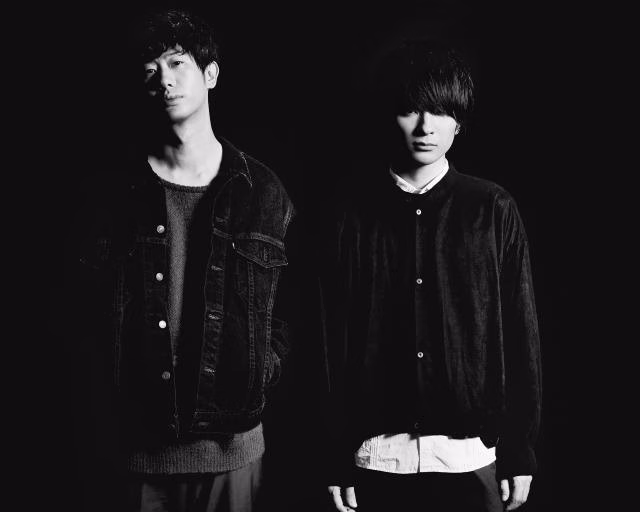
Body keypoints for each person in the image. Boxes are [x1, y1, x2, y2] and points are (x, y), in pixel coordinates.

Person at [71, 8, 295, 512]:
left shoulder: (263, 191)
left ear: (210, 74)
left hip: (232, 450)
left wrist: (262, 368)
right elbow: (78, 309)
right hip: (133, 449)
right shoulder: (110, 194)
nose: (164, 79)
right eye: (151, 70)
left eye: (177, 63)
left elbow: (292, 307)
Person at [321, 40, 542, 512]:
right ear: (391, 116)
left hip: (470, 458)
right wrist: (333, 454)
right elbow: (329, 339)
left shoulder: (492, 208)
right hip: (375, 459)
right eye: (411, 110)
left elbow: (520, 333)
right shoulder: (350, 212)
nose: (425, 127)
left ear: (458, 121)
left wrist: (520, 448)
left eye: (440, 111)